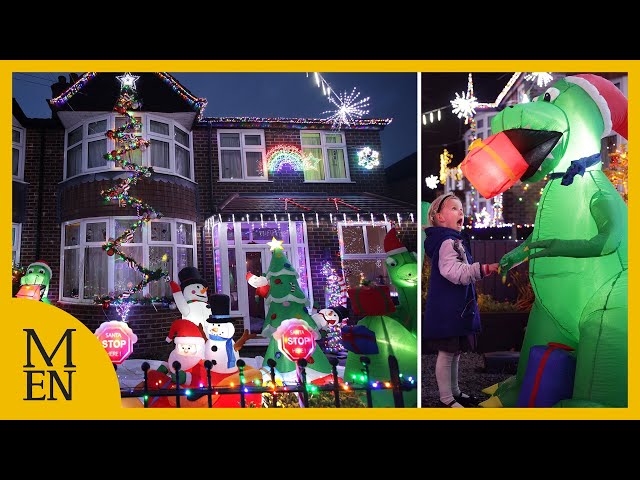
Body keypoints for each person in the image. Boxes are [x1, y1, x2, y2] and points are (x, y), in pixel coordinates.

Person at [423, 193, 499, 408]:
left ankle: (455, 392)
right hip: (448, 308)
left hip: (456, 306)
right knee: (447, 353)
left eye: (461, 209)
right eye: (454, 208)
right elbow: (453, 272)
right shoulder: (447, 242)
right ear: (439, 217)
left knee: (454, 352)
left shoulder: (453, 240)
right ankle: (446, 399)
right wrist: (482, 269)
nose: (461, 213)